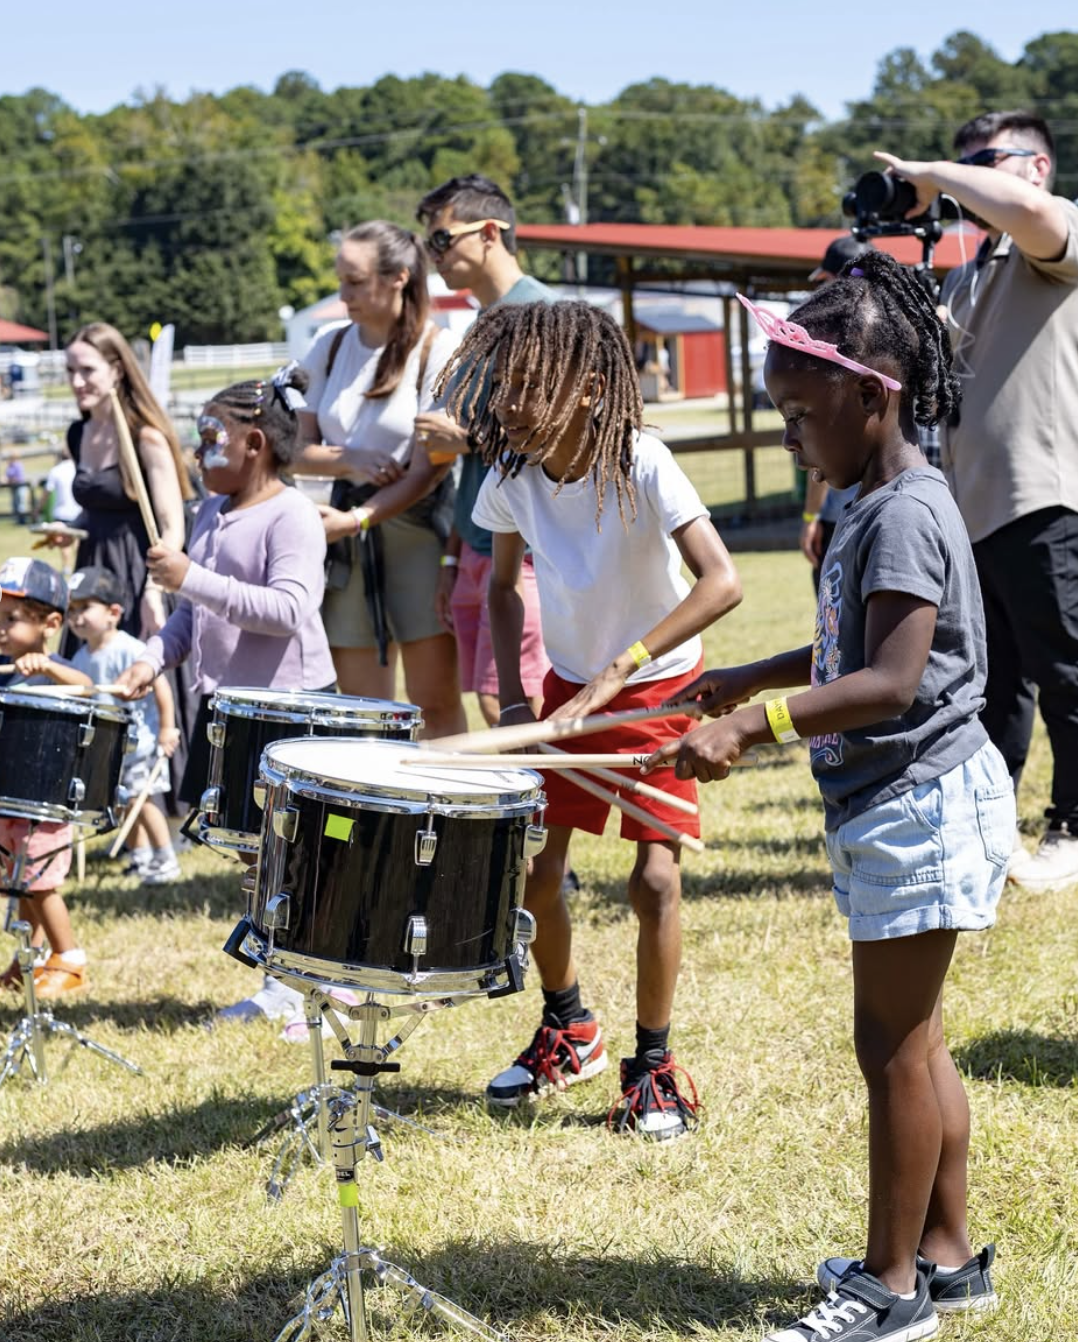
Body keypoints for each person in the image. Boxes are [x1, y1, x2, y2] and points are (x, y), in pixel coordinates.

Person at [649, 253, 1014, 1340]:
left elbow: (894, 679)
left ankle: (889, 1288)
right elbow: (845, 647)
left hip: (922, 796)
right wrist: (753, 675)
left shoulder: (905, 509)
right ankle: (947, 1257)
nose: (791, 434)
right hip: (899, 798)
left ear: (873, 394)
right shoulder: (867, 497)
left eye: (801, 414)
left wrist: (749, 727)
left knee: (891, 1048)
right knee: (918, 1038)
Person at [444, 299, 743, 1141]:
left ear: (583, 390)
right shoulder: (511, 476)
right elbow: (504, 587)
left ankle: (654, 1068)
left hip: (656, 694)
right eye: (500, 386)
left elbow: (722, 581)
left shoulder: (643, 461)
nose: (504, 403)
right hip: (566, 694)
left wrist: (623, 668)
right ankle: (568, 1028)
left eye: (524, 386)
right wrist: (512, 697)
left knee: (654, 882)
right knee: (536, 878)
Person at [873, 111, 1078, 892]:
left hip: (1046, 494)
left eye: (985, 163)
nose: (967, 180)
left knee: (1068, 666)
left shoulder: (1058, 235)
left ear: (1034, 168)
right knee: (993, 684)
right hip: (977, 508)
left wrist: (930, 169)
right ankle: (993, 825)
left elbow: (1031, 216)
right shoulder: (973, 269)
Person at [115, 365, 338, 1024]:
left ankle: (308, 979)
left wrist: (190, 577)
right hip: (231, 707)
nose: (198, 451)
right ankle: (280, 979)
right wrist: (153, 661)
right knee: (251, 847)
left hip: (289, 705)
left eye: (211, 437)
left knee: (293, 850)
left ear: (255, 445)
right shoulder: (210, 512)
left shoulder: (292, 515)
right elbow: (192, 619)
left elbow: (287, 612)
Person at [295, 220, 465, 739]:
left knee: (434, 704)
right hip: (343, 542)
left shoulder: (437, 349)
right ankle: (377, 816)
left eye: (354, 281)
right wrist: (350, 461)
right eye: (341, 280)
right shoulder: (327, 346)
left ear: (398, 277)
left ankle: (446, 808)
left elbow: (427, 471)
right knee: (365, 713)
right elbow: (293, 452)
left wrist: (358, 517)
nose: (342, 295)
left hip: (416, 536)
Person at [414, 174, 552, 728]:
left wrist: (465, 438)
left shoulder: (544, 314)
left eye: (442, 240)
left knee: (516, 705)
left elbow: (558, 432)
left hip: (526, 551)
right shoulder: (478, 324)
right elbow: (471, 468)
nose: (435, 256)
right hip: (478, 545)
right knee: (495, 704)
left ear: (490, 232)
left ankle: (544, 815)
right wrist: (452, 557)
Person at [60, 322, 193, 639]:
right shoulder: (78, 433)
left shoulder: (146, 438)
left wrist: (153, 590)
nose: (77, 381)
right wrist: (71, 529)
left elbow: (172, 527)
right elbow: (100, 503)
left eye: (88, 370)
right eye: (70, 370)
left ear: (116, 371)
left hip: (138, 572)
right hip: (91, 571)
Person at [0, 558, 94, 997]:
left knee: (41, 884)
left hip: (46, 804)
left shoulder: (51, 669)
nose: (1, 627)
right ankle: (28, 960)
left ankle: (70, 959)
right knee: (23, 885)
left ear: (51, 623)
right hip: (11, 801)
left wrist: (50, 669)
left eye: (11, 619)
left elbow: (86, 687)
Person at [66, 565, 181, 884]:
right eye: (71, 609)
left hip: (141, 743)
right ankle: (140, 856)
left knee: (144, 801)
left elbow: (161, 686)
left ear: (113, 612)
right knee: (123, 803)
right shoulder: (80, 658)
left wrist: (167, 728)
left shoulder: (128, 648)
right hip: (111, 748)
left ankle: (165, 859)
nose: (76, 617)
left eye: (85, 607)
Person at [798, 237, 869, 590]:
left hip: (841, 516)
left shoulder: (829, 348)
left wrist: (811, 516)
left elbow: (818, 447)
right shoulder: (893, 338)